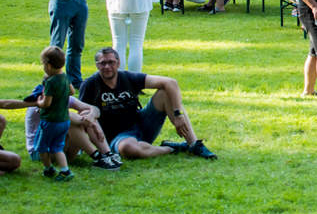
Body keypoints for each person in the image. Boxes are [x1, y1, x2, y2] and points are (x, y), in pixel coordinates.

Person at [78, 46, 216, 160]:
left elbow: (171, 82)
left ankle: (193, 144)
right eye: (103, 63)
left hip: (142, 124)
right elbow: (83, 116)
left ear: (118, 63)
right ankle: (171, 149)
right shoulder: (90, 85)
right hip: (118, 137)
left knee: (165, 92)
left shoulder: (127, 77)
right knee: (128, 148)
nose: (107, 66)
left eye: (111, 62)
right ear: (97, 65)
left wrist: (178, 115)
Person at [33, 45, 75, 181]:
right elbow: (72, 92)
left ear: (48, 66)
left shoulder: (51, 82)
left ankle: (48, 168)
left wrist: (38, 102)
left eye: (43, 64)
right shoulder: (64, 77)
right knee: (57, 147)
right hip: (64, 120)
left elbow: (46, 103)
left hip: (50, 121)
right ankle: (65, 171)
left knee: (41, 147)